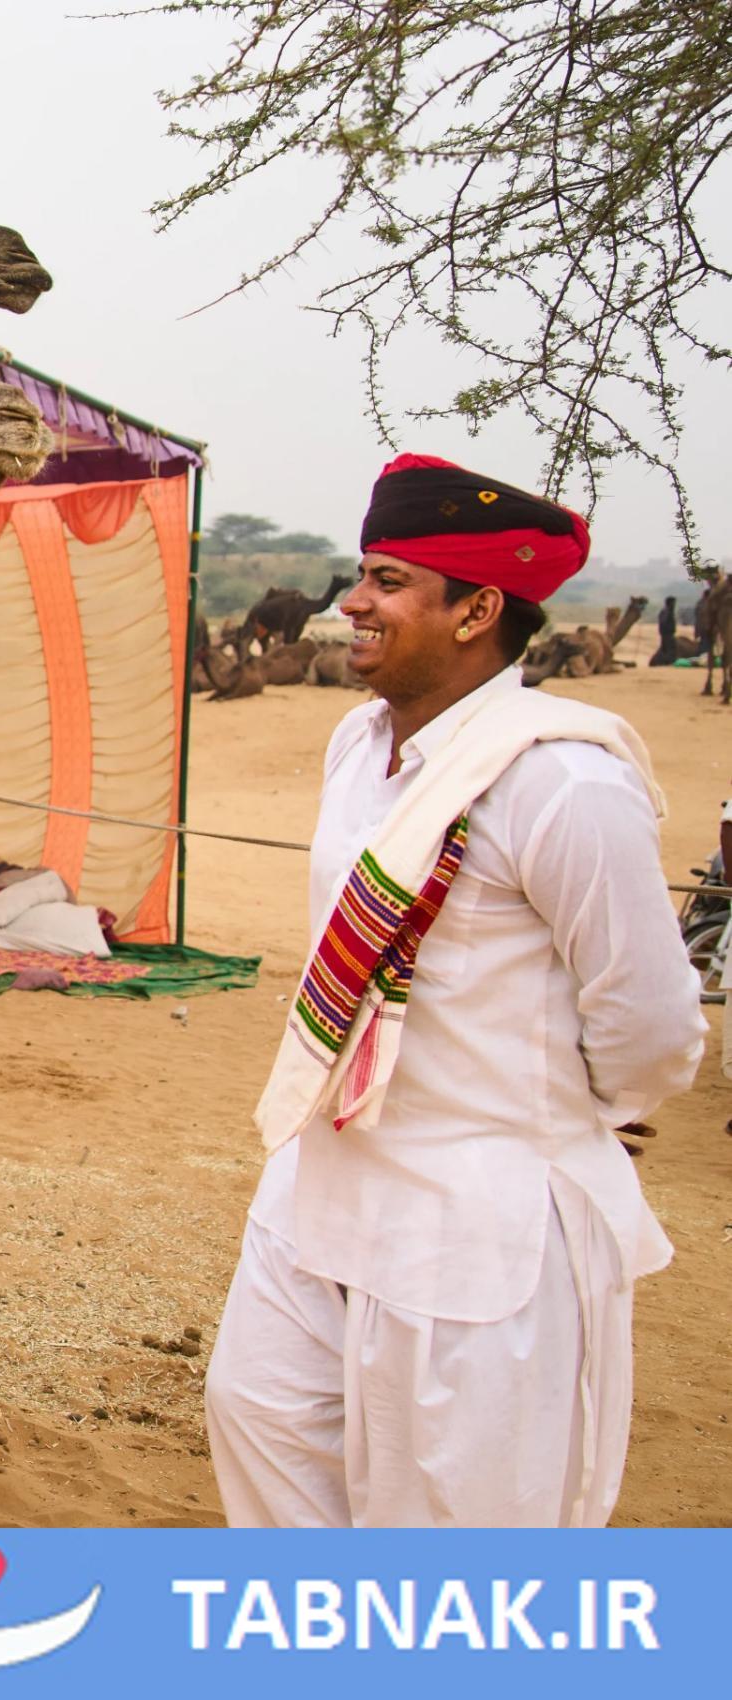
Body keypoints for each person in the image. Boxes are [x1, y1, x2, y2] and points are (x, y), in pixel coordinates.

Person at [204, 452, 706, 1529]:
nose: (353, 601)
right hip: (324, 1170)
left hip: (476, 1215)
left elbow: (650, 1026)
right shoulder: (355, 744)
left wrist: (548, 1117)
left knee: (451, 1520)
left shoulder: (560, 780)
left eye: (387, 581)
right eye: (361, 573)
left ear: (477, 608)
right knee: (259, 1419)